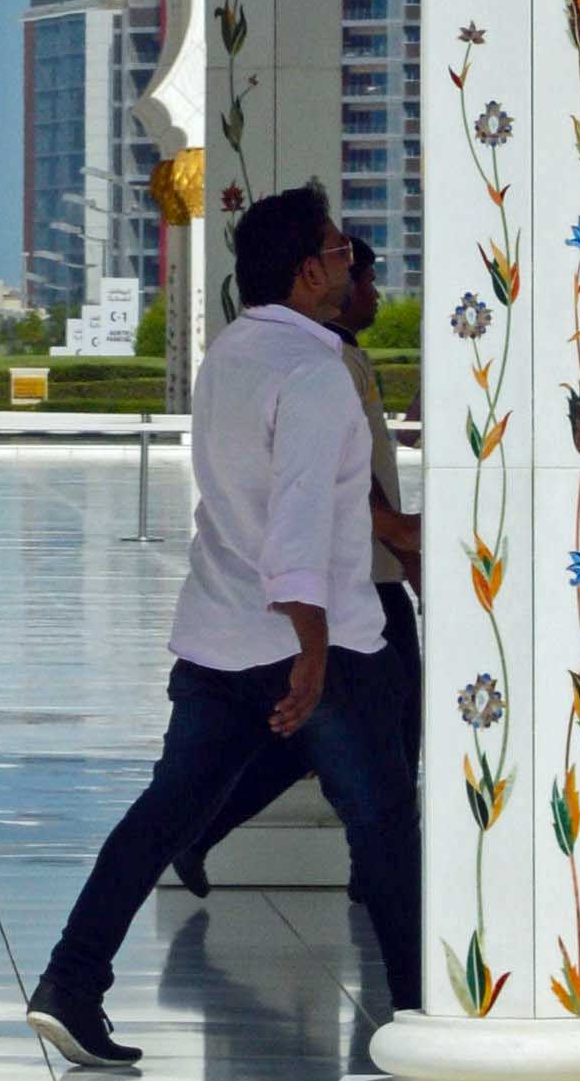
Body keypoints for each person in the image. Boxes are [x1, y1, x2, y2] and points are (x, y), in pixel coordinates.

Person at [25, 184, 424, 1075]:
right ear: (308, 268)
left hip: (218, 631)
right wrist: (314, 651)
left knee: (164, 816)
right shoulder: (315, 371)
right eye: (340, 250)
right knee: (388, 830)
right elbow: (295, 524)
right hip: (317, 644)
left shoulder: (230, 358)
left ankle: (70, 982)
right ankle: (421, 1019)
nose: (350, 263)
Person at [170, 227, 422, 890]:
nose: (370, 293)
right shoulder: (317, 363)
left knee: (322, 730)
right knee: (380, 726)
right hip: (352, 581)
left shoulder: (331, 356)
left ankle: (203, 832)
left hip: (365, 573)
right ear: (318, 277)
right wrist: (396, 534)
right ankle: (384, 879)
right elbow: (318, 484)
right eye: (359, 275)